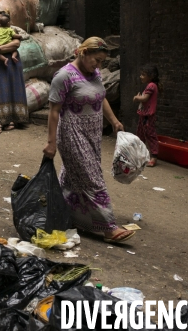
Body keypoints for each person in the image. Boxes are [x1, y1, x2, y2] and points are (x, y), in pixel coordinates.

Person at [43, 37, 136, 244]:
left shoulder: (93, 73)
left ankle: (64, 214)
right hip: (72, 134)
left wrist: (114, 121)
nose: (99, 65)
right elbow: (53, 111)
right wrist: (51, 143)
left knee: (73, 177)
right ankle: (109, 228)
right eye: (97, 60)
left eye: (102, 61)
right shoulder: (64, 76)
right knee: (91, 176)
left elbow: (100, 96)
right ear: (83, 53)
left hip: (93, 134)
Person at [0, 12, 28, 134]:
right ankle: (1, 121)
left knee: (14, 88)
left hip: (12, 63)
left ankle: (14, 120)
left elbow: (16, 44)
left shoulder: (10, 30)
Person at [133, 65, 161, 167]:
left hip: (148, 115)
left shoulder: (151, 86)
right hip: (144, 114)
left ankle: (154, 157)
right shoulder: (151, 85)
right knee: (140, 133)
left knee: (150, 134)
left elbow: (145, 99)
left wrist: (137, 97)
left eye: (143, 75)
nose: (141, 76)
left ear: (151, 76)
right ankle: (141, 155)